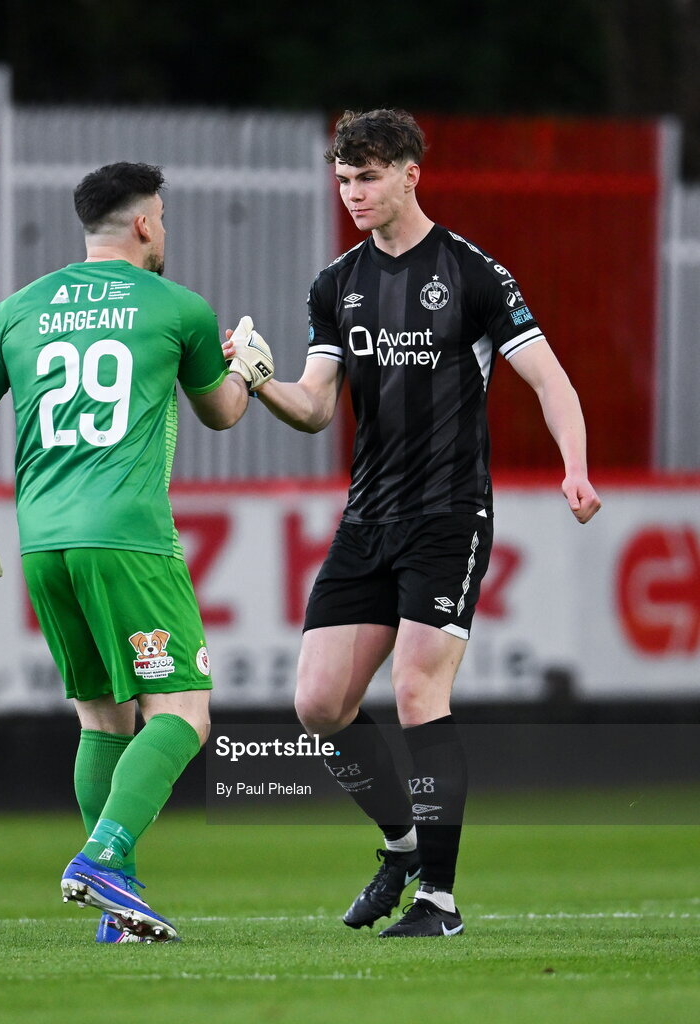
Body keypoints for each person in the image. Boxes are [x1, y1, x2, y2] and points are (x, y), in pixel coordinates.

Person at [223, 109, 601, 938]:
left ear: (409, 174)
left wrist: (574, 466)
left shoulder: (472, 275)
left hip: (447, 515)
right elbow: (317, 408)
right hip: (369, 518)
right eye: (344, 178)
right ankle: (400, 847)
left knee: (416, 690)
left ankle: (440, 898)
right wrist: (260, 383)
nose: (353, 193)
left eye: (369, 176)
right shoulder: (336, 284)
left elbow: (552, 382)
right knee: (319, 704)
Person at [0, 162, 272, 943]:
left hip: (43, 538)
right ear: (147, 223)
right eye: (164, 221)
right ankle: (104, 858)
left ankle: (117, 906)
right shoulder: (177, 306)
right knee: (184, 713)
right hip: (128, 537)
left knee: (102, 718)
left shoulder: (18, 309)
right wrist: (249, 371)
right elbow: (221, 413)